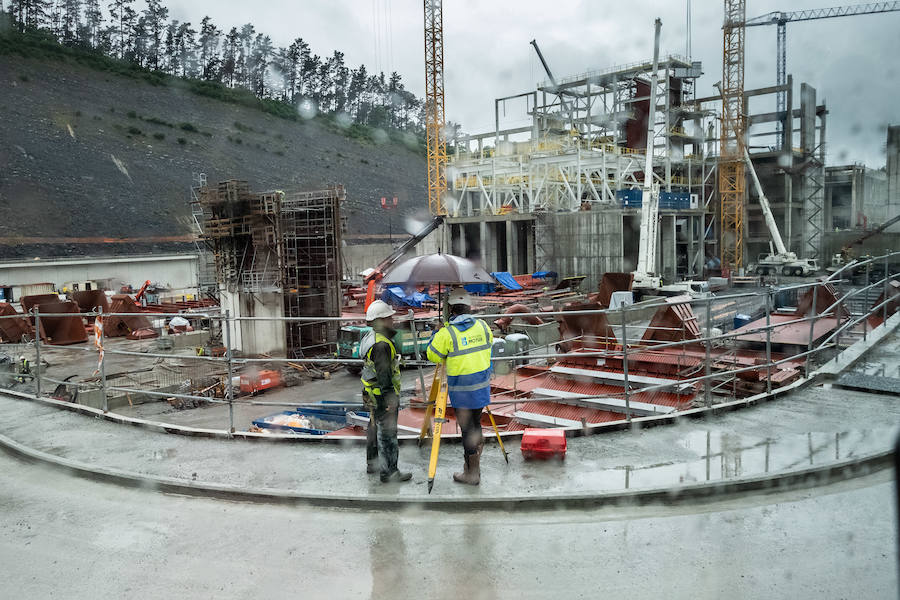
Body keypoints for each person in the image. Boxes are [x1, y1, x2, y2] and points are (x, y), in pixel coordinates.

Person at [426, 288, 493, 485]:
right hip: (481, 386)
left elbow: (432, 355)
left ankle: (472, 474)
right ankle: (474, 466)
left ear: (450, 309)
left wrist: (436, 333)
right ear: (469, 307)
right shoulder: (482, 325)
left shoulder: (447, 333)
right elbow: (489, 343)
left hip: (462, 392)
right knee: (476, 424)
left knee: (467, 430)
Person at [360, 300, 412, 483]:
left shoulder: (370, 337)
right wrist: (389, 400)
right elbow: (384, 376)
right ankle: (389, 472)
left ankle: (372, 464)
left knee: (374, 428)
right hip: (382, 394)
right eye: (389, 318)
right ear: (380, 321)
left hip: (371, 393)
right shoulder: (381, 346)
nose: (393, 321)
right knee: (387, 434)